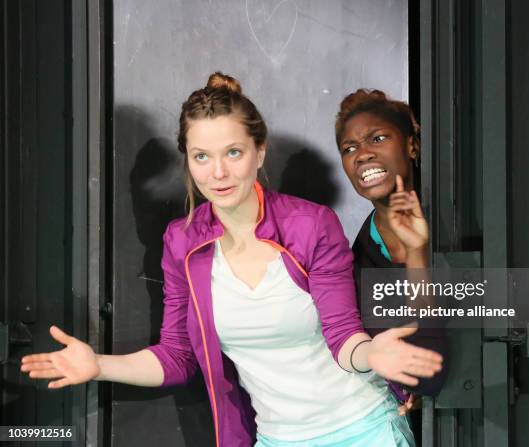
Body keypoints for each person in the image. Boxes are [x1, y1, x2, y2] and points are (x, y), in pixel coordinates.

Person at [21, 73, 444, 447]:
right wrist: (97, 365)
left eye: (233, 153)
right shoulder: (182, 243)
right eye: (201, 156)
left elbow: (342, 336)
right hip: (277, 438)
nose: (218, 173)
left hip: (362, 429)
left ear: (259, 152)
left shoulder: (311, 224)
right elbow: (177, 356)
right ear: (187, 160)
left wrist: (372, 355)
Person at [334, 89, 450, 424]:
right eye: (349, 148)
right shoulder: (356, 264)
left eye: (377, 138)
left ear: (412, 145)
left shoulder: (458, 222)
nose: (362, 155)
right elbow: (423, 373)